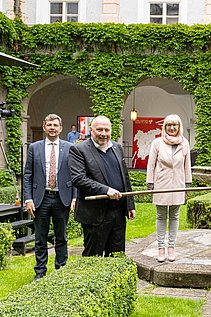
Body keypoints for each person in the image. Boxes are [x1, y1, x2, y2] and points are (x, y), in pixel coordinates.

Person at [69, 115, 135, 257]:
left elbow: (125, 178)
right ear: (91, 130)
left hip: (117, 213)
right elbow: (79, 179)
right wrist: (106, 190)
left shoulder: (117, 148)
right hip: (94, 214)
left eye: (107, 130)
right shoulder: (79, 150)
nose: (104, 133)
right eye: (99, 129)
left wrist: (130, 205)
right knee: (93, 258)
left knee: (117, 257)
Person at [24, 113, 76, 281]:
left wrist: (74, 198)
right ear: (44, 127)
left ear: (61, 128)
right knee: (40, 238)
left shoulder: (70, 147)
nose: (52, 128)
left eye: (55, 125)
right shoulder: (34, 148)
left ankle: (61, 271)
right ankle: (40, 272)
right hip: (41, 198)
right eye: (49, 125)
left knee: (61, 237)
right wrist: (28, 198)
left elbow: (76, 175)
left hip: (62, 198)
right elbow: (28, 175)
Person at [146, 114, 192, 263]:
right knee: (161, 216)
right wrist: (150, 182)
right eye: (169, 125)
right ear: (164, 127)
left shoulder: (184, 143)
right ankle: (161, 247)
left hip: (177, 184)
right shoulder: (157, 143)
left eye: (175, 125)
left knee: (174, 216)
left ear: (179, 127)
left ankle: (171, 247)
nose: (172, 128)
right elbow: (151, 164)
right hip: (161, 183)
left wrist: (187, 183)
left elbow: (187, 165)